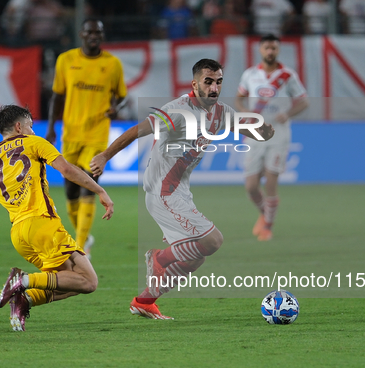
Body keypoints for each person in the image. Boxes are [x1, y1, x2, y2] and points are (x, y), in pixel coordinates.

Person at [90, 59, 274, 319]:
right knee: (212, 240)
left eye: (218, 82)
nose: (214, 88)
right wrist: (105, 156)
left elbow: (243, 127)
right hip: (162, 194)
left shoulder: (220, 112)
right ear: (195, 84)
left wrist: (262, 133)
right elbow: (137, 130)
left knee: (194, 258)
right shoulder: (178, 110)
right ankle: (159, 258)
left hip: (181, 194)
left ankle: (144, 301)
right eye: (208, 82)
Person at [0, 105, 114, 331]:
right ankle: (21, 281)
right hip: (43, 225)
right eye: (30, 126)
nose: (32, 130)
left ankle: (25, 299)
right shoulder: (33, 142)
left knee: (70, 282)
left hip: (19, 236)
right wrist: (100, 191)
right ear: (19, 126)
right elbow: (67, 170)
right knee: (88, 282)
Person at [46, 18, 127, 260]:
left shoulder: (112, 64)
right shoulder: (66, 60)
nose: (94, 35)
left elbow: (121, 96)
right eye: (90, 31)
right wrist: (51, 128)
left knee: (89, 184)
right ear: (81, 34)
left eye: (98, 32)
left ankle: (79, 246)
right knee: (71, 189)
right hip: (71, 133)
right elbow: (57, 96)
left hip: (97, 134)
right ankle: (84, 237)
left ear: (102, 36)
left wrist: (115, 108)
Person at [236, 34, 309, 241]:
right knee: (250, 186)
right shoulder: (250, 74)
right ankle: (264, 213)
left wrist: (287, 114)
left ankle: (268, 226)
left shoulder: (287, 75)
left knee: (270, 181)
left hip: (279, 134)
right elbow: (239, 98)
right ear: (260, 50)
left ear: (278, 50)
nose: (270, 52)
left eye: (274, 48)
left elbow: (304, 101)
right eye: (267, 48)